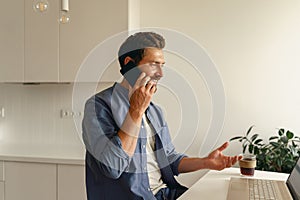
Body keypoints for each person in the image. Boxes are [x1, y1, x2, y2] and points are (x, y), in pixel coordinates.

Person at [82, 31, 242, 200]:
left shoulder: (154, 111)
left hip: (165, 193)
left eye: (162, 65)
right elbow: (112, 167)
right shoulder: (98, 106)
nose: (160, 73)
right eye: (153, 64)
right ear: (129, 64)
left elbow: (169, 159)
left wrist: (205, 162)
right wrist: (135, 112)